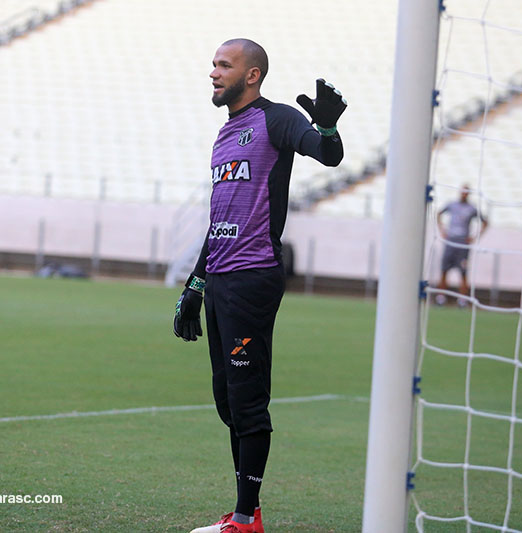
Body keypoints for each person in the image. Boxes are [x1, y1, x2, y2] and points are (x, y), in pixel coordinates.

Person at [172, 38, 346, 533]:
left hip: (253, 276)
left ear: (252, 75)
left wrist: (329, 126)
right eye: (213, 64)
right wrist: (195, 284)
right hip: (222, 278)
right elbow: (219, 219)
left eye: (224, 65)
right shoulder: (224, 136)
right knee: (227, 399)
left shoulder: (277, 119)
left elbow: (327, 155)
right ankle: (244, 512)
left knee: (248, 401)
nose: (213, 72)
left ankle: (246, 520)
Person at [435, 184, 487, 306]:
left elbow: (485, 222)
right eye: (462, 192)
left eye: (466, 192)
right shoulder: (452, 205)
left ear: (468, 194)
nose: (464, 194)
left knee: (463, 272)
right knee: (444, 270)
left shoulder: (472, 208)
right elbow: (438, 213)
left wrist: (475, 237)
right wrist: (442, 230)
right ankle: (441, 298)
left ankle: (463, 300)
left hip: (463, 244)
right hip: (450, 241)